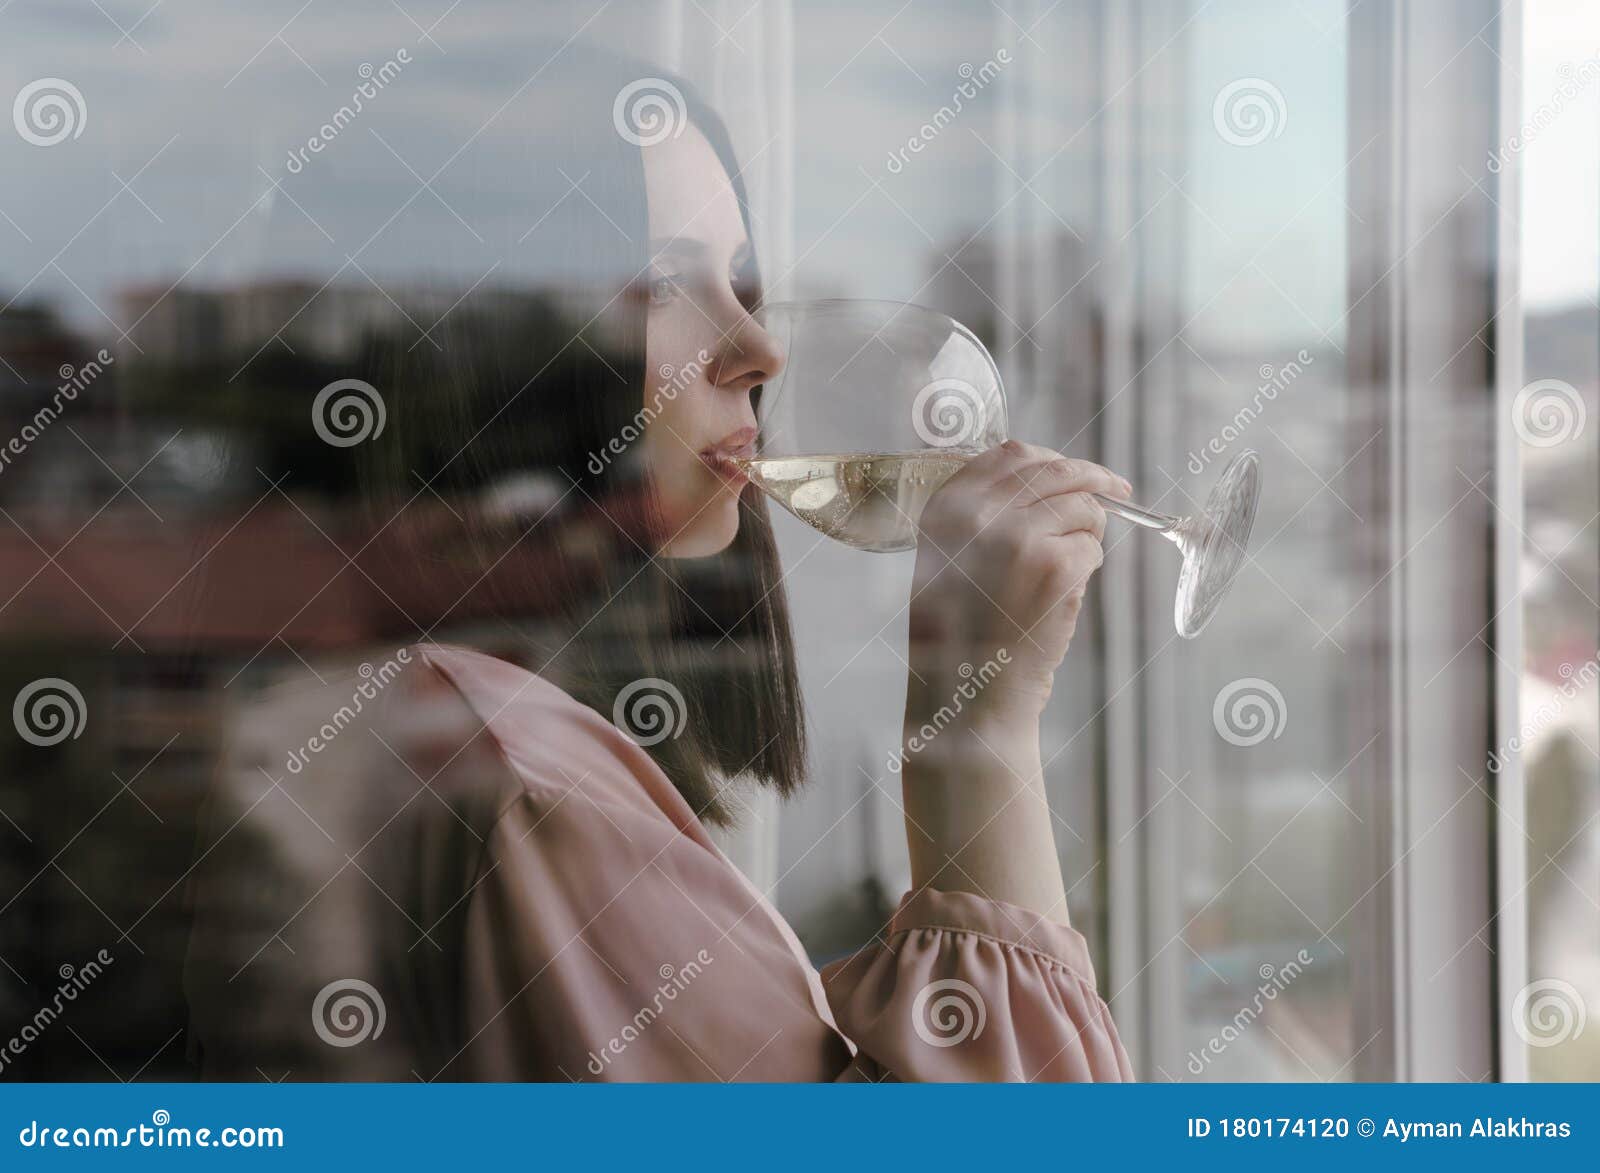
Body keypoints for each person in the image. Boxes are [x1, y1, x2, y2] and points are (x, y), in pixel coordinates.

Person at [182, 44, 1134, 1082]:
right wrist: (979, 728)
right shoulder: (520, 780)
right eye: (666, 284)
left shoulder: (371, 709)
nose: (759, 349)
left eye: (740, 282)